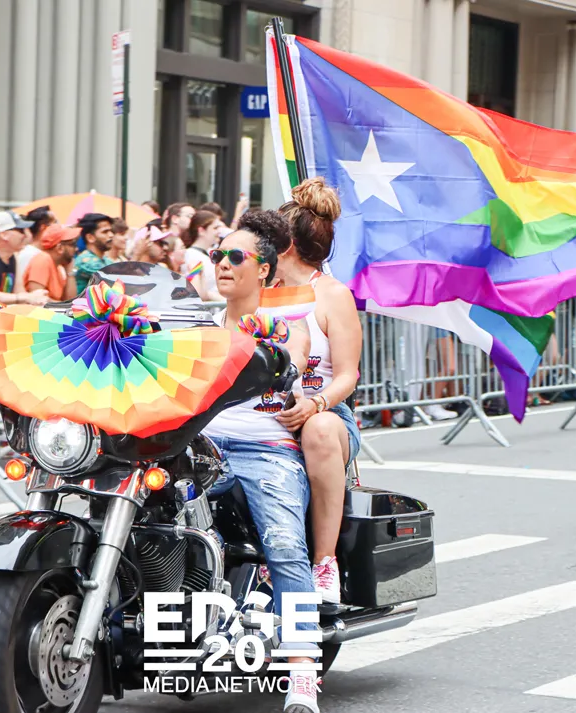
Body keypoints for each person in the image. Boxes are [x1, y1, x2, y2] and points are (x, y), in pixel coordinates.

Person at [199, 210, 321, 713]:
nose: (223, 264)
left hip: (266, 450)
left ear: (265, 270)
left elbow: (294, 358)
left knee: (285, 545)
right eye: (217, 255)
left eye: (235, 256)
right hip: (200, 450)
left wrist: (278, 355)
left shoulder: (289, 325)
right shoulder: (201, 327)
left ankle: (302, 674)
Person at [272, 178, 362, 605]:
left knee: (320, 430)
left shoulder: (333, 295)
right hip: (263, 410)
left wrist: (316, 404)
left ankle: (324, 561)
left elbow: (347, 375)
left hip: (325, 413)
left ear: (285, 244)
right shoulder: (259, 292)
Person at [22, 223, 79, 302]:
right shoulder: (42, 259)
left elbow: (70, 301)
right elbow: (37, 300)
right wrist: (64, 306)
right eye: (73, 245)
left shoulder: (59, 267)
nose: (76, 249)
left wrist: (70, 273)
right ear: (59, 248)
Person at [181, 209, 223, 301]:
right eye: (215, 228)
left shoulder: (212, 252)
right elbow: (197, 291)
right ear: (201, 230)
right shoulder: (191, 256)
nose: (219, 231)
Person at [73, 213, 115, 294]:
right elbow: (117, 279)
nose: (111, 235)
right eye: (105, 232)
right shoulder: (85, 261)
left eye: (111, 231)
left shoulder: (106, 260)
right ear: (90, 238)